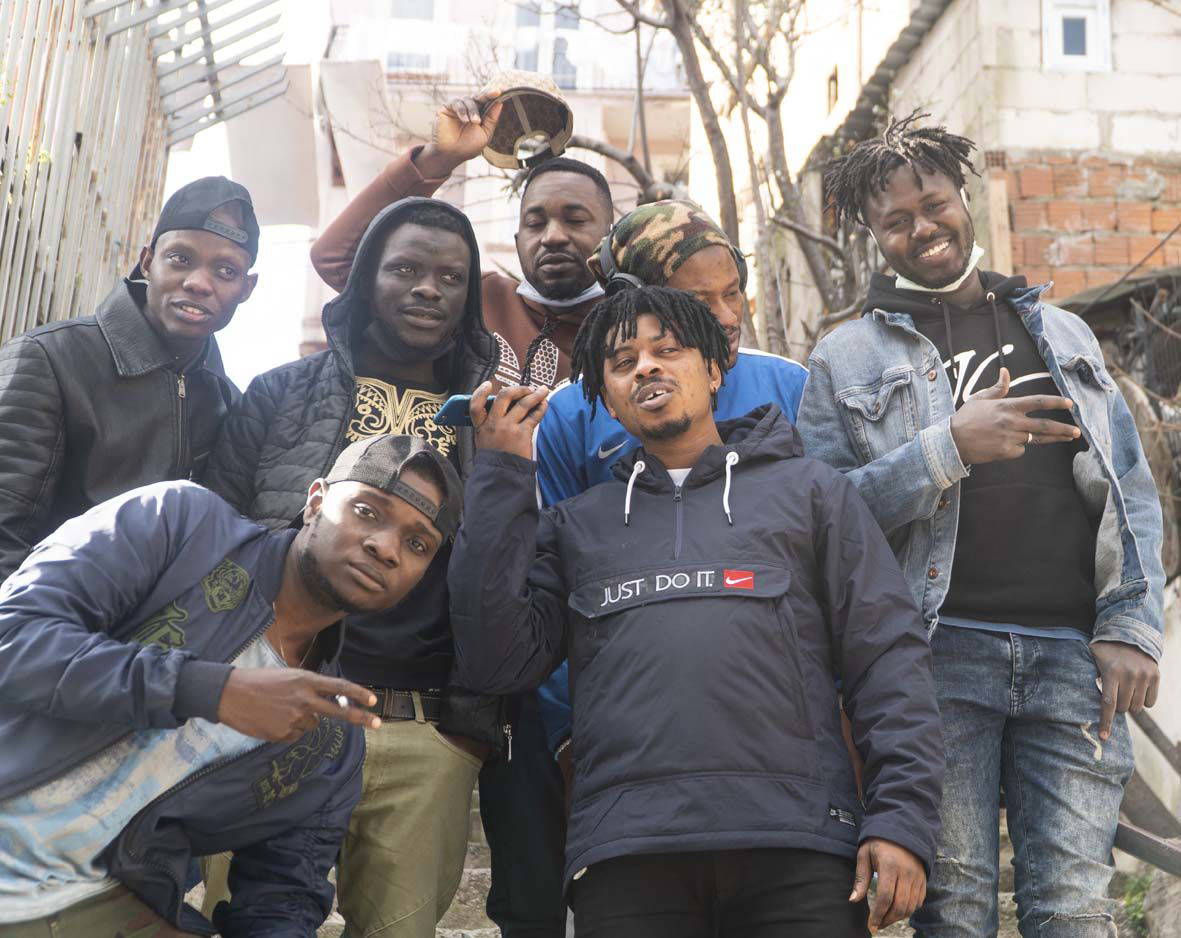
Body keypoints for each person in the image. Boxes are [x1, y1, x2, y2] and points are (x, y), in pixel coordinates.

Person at [449, 285, 944, 937]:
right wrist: (500, 472)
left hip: (797, 845)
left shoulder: (811, 494)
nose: (646, 367)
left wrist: (899, 820)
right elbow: (496, 659)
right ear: (606, 400)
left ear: (713, 370)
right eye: (622, 362)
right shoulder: (577, 526)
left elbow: (888, 661)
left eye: (668, 350)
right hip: (626, 857)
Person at [797, 113, 1164, 938]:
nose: (922, 228)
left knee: (1074, 910)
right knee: (955, 910)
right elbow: (823, 520)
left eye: (933, 205)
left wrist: (1131, 628)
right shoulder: (844, 358)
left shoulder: (1061, 331)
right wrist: (945, 449)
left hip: (1072, 659)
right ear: (872, 237)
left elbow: (1129, 488)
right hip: (932, 659)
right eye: (895, 220)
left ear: (962, 198)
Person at [309, 90, 616, 937]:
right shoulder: (477, 303)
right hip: (478, 614)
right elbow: (342, 261)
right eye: (536, 221)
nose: (554, 236)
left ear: (608, 234)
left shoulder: (636, 329)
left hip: (591, 607)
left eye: (577, 220)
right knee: (521, 878)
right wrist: (440, 157)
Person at [0, 432, 463, 937]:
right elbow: (14, 636)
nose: (386, 547)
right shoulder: (181, 525)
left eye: (417, 544)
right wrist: (210, 690)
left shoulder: (329, 738)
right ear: (315, 501)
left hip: (102, 909)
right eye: (367, 511)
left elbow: (283, 898)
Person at [203, 197, 503, 937]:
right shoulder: (281, 393)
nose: (428, 288)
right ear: (367, 277)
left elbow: (510, 569)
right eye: (405, 269)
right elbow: (216, 544)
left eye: (451, 278)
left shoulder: (495, 424)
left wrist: (464, 731)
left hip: (420, 730)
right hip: (267, 713)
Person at [532, 199, 811, 767]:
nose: (728, 316)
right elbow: (552, 588)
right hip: (628, 730)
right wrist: (567, 733)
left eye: (733, 292)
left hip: (780, 723)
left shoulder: (791, 386)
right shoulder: (570, 414)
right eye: (700, 302)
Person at [0, 176, 257, 581]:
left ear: (247, 288)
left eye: (226, 271)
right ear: (147, 261)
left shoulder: (229, 406)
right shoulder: (50, 357)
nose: (198, 283)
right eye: (180, 259)